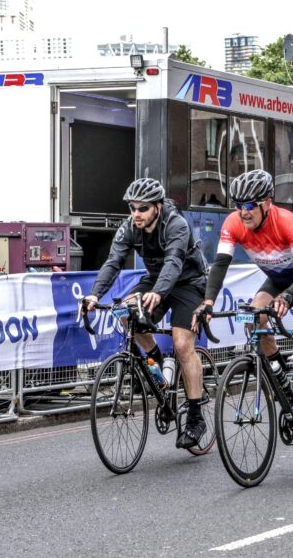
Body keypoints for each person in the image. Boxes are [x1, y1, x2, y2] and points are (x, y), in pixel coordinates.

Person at [193, 169, 293, 450]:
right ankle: (280, 373)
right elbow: (220, 265)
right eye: (238, 205)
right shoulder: (234, 223)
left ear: (267, 202)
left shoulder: (286, 221)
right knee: (253, 317)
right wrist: (208, 303)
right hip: (279, 278)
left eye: (249, 205)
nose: (243, 212)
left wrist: (288, 297)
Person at [84, 178, 210, 449]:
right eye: (132, 208)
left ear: (157, 207)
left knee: (182, 344)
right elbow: (113, 262)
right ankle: (156, 362)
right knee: (125, 310)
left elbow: (174, 261)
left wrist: (160, 292)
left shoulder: (176, 224)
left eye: (142, 208)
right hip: (155, 280)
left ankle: (196, 417)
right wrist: (94, 294)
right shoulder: (130, 227)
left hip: (189, 282)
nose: (136, 214)